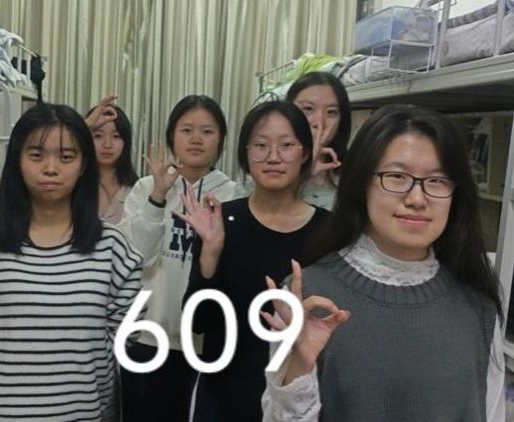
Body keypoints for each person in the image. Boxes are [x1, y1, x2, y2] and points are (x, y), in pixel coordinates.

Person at [261, 104, 505, 422]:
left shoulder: (479, 308)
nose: (417, 199)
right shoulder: (308, 300)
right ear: (362, 186)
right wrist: (300, 367)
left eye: (437, 181)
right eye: (396, 176)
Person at [0, 103, 143, 421]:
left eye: (66, 156)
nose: (51, 168)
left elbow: (122, 345)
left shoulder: (114, 249)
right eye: (36, 155)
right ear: (17, 162)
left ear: (83, 164)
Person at [177, 100, 329, 421]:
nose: (273, 157)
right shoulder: (220, 220)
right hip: (222, 396)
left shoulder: (328, 231)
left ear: (304, 153)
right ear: (245, 153)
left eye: (286, 145)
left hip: (296, 401)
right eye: (260, 146)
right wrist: (211, 251)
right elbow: (196, 322)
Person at [118, 95, 237, 422]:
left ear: (220, 141)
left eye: (207, 131)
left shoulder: (233, 195)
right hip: (145, 336)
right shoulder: (145, 188)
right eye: (186, 130)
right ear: (172, 136)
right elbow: (136, 258)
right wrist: (158, 197)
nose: (196, 138)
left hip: (204, 344)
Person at [285, 71, 351, 210]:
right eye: (308, 109)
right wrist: (302, 173)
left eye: (331, 112)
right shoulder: (266, 166)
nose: (319, 122)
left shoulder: (352, 176)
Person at [85, 99, 139, 223]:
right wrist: (84, 126)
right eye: (98, 136)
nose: (107, 144)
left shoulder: (138, 188)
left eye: (116, 136)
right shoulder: (75, 185)